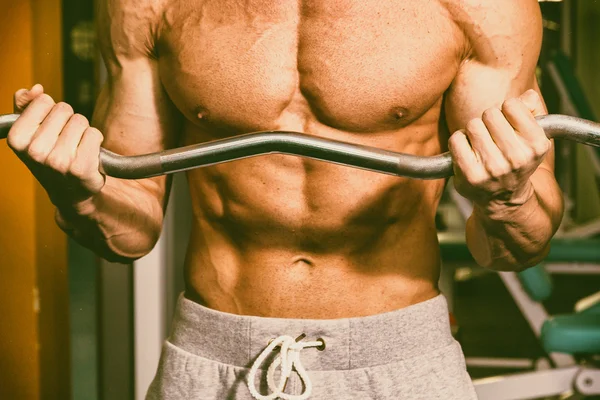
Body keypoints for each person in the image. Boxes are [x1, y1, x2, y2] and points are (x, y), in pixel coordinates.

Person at [7, 0, 563, 398]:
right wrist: (75, 191)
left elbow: (514, 249)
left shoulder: (483, 9)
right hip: (213, 356)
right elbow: (128, 233)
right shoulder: (147, 8)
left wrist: (510, 196)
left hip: (396, 357)